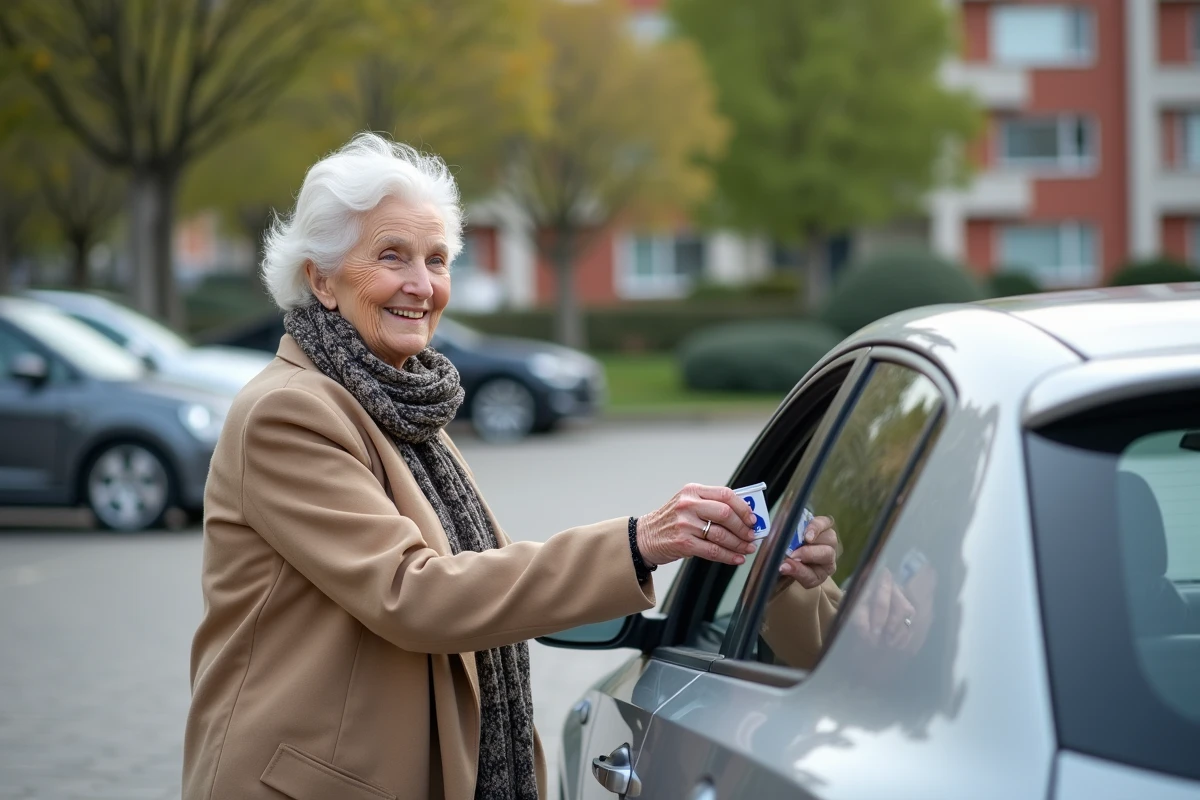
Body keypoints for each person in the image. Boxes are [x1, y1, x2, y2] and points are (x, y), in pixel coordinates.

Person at [182, 133, 766, 800]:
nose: (421, 285)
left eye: (437, 260)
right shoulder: (288, 414)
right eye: (391, 256)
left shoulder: (397, 401)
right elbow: (416, 592)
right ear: (321, 278)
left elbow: (484, 575)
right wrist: (637, 542)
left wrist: (744, 567)